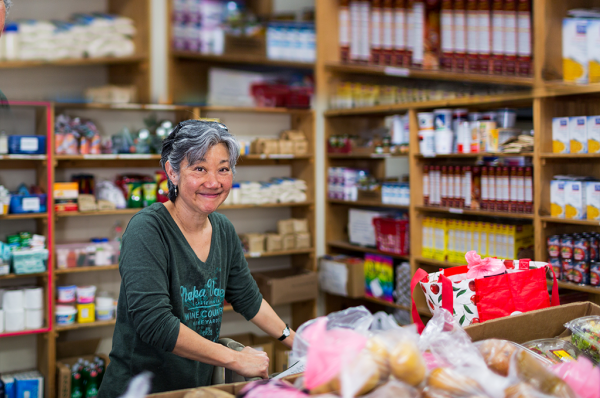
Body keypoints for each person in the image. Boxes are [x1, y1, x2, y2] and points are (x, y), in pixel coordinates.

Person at [98, 120, 297, 397]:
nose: (213, 182)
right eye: (199, 168)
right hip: (141, 390)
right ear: (172, 171)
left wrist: (297, 342)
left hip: (195, 389)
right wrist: (235, 358)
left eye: (223, 169)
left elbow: (248, 299)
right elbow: (155, 324)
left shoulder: (223, 229)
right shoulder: (148, 229)